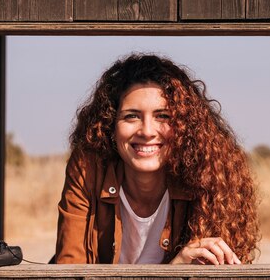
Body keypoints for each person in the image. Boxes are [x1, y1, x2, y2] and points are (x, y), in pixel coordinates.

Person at [55, 54, 259, 264]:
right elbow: (70, 276)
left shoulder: (208, 176)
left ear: (185, 127)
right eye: (131, 116)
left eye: (163, 116)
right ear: (110, 126)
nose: (147, 131)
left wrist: (180, 272)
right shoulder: (89, 168)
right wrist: (173, 273)